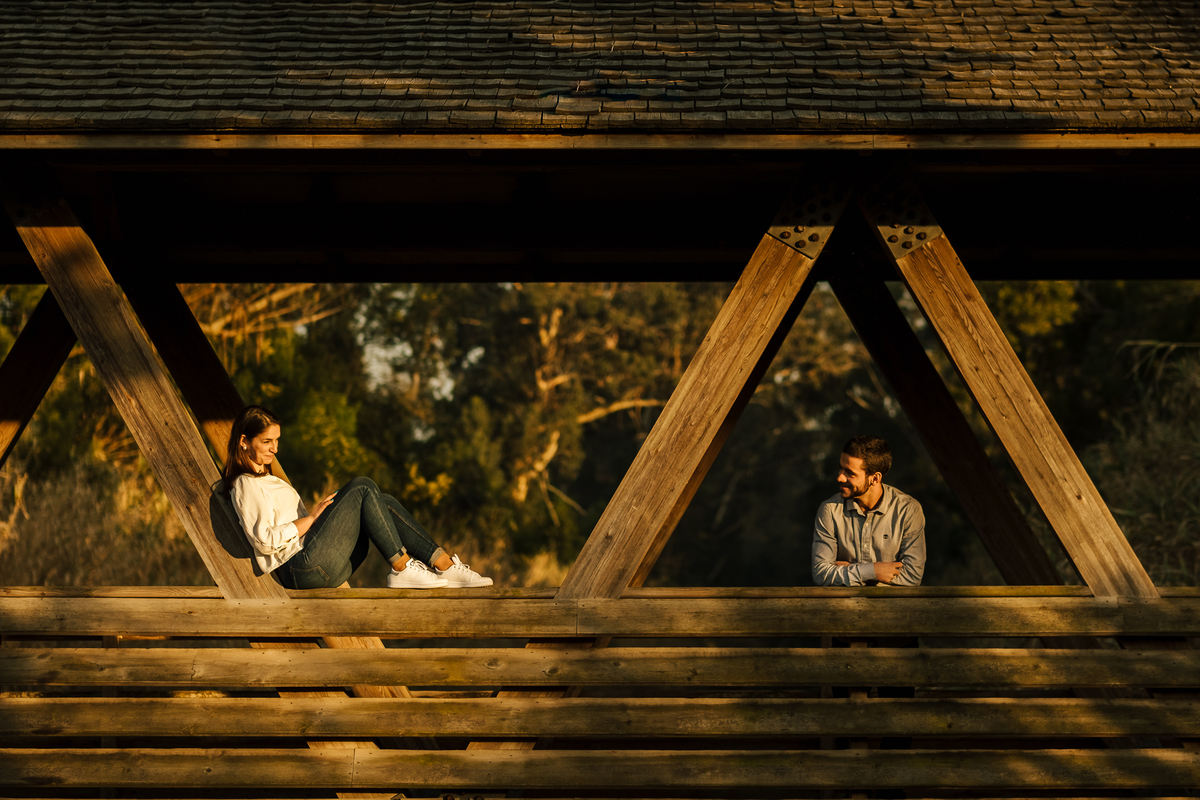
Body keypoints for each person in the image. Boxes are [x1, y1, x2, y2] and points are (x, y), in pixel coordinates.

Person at [221, 405, 491, 590]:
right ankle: (401, 568)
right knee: (362, 486)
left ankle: (445, 566)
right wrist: (312, 519)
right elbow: (264, 541)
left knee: (382, 501)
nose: (275, 449)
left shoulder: (265, 479)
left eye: (277, 441)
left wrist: (323, 517)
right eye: (267, 441)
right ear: (244, 441)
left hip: (316, 564)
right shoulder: (245, 483)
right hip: (299, 569)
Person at [812, 434, 925, 587]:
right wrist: (874, 571)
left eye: (849, 473)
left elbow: (912, 577)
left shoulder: (908, 510)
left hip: (891, 604)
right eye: (841, 468)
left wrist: (850, 571)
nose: (840, 478)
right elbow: (821, 574)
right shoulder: (829, 510)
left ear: (875, 478)